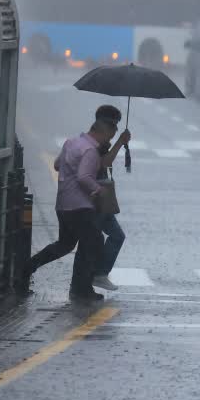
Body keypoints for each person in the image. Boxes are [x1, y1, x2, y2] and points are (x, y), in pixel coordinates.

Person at [28, 118, 119, 302]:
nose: (108, 142)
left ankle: (27, 266)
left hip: (63, 204)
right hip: (80, 206)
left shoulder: (72, 143)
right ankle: (81, 289)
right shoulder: (91, 150)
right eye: (109, 136)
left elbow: (56, 165)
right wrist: (99, 190)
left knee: (65, 245)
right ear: (102, 132)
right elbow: (84, 177)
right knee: (94, 242)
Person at [92, 104, 131, 291]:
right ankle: (95, 277)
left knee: (113, 236)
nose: (116, 130)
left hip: (101, 197)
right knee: (96, 240)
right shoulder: (97, 141)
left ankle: (95, 277)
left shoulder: (102, 141)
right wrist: (120, 143)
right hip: (95, 197)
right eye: (114, 126)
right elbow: (104, 163)